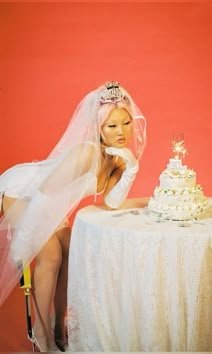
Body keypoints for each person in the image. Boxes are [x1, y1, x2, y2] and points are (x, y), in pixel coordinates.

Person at [0, 81, 147, 351]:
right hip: (24, 192)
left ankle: (59, 328)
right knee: (52, 255)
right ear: (98, 126)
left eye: (125, 123)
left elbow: (112, 202)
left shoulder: (117, 159)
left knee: (71, 251)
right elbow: (44, 193)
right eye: (111, 126)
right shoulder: (86, 152)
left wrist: (131, 167)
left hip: (50, 203)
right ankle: (40, 337)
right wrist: (26, 239)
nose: (121, 132)